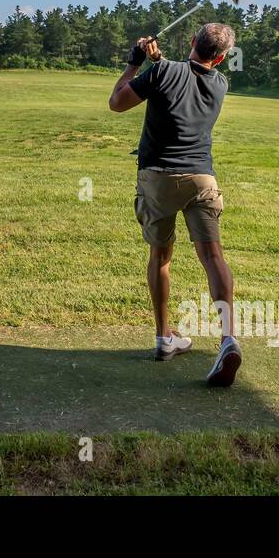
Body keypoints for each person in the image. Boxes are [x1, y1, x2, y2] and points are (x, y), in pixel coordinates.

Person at [108, 23, 240, 387]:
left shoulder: (162, 72)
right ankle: (228, 338)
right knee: (213, 257)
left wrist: (136, 63)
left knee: (161, 257)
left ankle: (165, 337)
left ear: (193, 42)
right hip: (201, 179)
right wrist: (158, 61)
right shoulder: (220, 84)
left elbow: (116, 103)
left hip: (159, 178)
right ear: (223, 56)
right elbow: (185, 80)